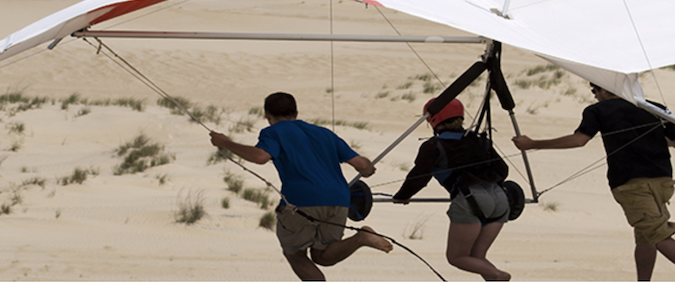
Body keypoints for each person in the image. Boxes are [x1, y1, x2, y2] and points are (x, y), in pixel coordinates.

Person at [511, 84, 675, 281]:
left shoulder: (597, 110)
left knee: (656, 232)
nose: (594, 96)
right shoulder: (654, 107)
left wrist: (533, 144)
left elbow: (579, 140)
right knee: (645, 235)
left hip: (631, 182)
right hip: (663, 180)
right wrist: (651, 137)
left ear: (605, 89)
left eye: (594, 91)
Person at [209, 92, 393, 281]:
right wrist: (369, 169)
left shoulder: (273, 132)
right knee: (322, 256)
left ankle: (361, 239)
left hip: (302, 200)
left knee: (295, 253)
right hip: (339, 200)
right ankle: (361, 238)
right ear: (296, 113)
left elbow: (260, 156)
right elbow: (362, 165)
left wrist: (226, 143)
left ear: (267, 115)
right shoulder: (324, 133)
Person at [393, 98, 512, 281]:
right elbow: (502, 170)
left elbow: (419, 177)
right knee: (477, 257)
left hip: (471, 199)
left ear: (433, 119)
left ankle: (498, 275)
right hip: (500, 198)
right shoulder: (479, 139)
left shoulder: (433, 146)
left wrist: (402, 196)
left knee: (457, 257)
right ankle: (495, 278)